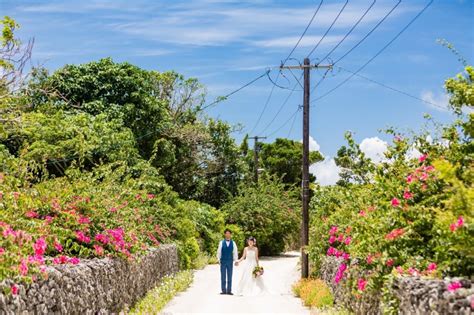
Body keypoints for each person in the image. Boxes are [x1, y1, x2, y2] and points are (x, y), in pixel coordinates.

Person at [216, 229, 238, 295]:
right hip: (223, 261)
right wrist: (218, 259)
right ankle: (223, 290)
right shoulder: (221, 242)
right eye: (227, 233)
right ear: (225, 234)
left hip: (230, 261)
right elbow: (219, 251)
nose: (228, 234)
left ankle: (229, 290)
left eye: (229, 233)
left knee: (230, 275)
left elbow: (235, 252)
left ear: (230, 235)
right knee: (223, 276)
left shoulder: (233, 243)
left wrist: (236, 260)